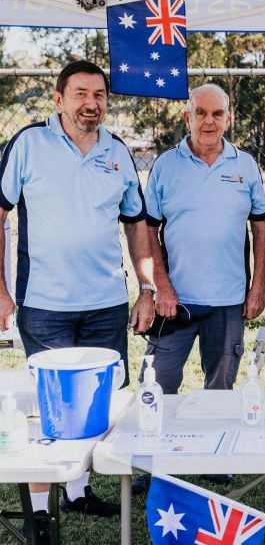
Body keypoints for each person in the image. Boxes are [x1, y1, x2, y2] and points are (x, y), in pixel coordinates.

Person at [0, 60, 155, 542]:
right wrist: (0, 292)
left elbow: (136, 222)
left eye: (100, 95)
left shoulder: (118, 152)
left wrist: (147, 287)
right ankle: (43, 511)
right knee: (50, 411)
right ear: (59, 99)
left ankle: (78, 490)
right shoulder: (28, 144)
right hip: (44, 302)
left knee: (97, 407)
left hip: (106, 301)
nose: (92, 104)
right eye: (81, 94)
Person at [131, 83, 265, 493]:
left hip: (229, 300)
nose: (209, 121)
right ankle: (152, 461)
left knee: (221, 384)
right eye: (201, 113)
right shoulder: (165, 166)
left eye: (217, 114)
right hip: (174, 302)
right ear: (187, 117)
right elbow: (148, 231)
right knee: (158, 382)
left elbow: (260, 227)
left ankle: (217, 457)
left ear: (228, 118)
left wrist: (257, 286)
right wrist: (162, 285)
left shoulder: (245, 165)